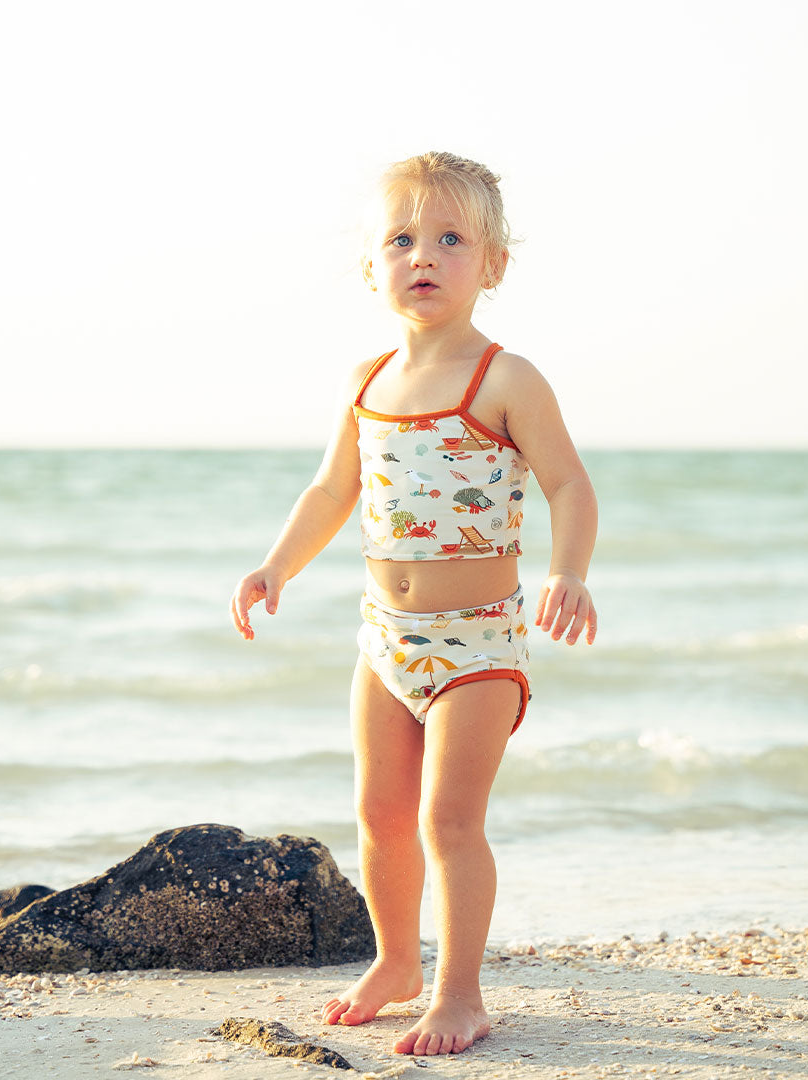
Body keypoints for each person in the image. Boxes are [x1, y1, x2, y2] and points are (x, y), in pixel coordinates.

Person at [230, 151, 598, 1056]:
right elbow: (331, 491)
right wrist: (276, 566)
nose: (423, 255)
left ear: (492, 264)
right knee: (380, 815)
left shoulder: (504, 379)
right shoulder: (365, 382)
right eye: (400, 240)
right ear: (371, 266)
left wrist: (568, 572)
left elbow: (569, 483)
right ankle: (396, 960)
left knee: (448, 821)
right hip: (384, 638)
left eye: (450, 239)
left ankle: (459, 993)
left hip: (479, 643)